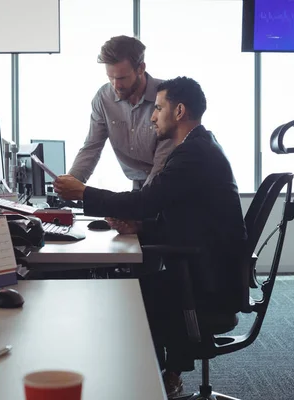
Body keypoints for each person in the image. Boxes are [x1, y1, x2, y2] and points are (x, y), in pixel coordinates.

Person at [54, 76, 247, 398]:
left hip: (207, 282)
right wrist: (141, 228)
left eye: (158, 108)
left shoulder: (193, 154)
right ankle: (158, 379)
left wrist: (84, 192)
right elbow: (192, 222)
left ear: (180, 110)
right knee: (126, 285)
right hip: (208, 269)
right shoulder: (200, 146)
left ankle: (148, 386)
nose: (153, 116)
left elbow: (146, 201)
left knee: (123, 296)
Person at [68, 35, 175, 190]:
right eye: (110, 78)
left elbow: (161, 166)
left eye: (122, 78)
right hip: (139, 187)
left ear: (141, 68)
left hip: (167, 184)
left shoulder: (166, 98)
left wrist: (133, 208)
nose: (116, 85)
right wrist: (70, 183)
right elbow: (92, 147)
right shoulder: (104, 98)